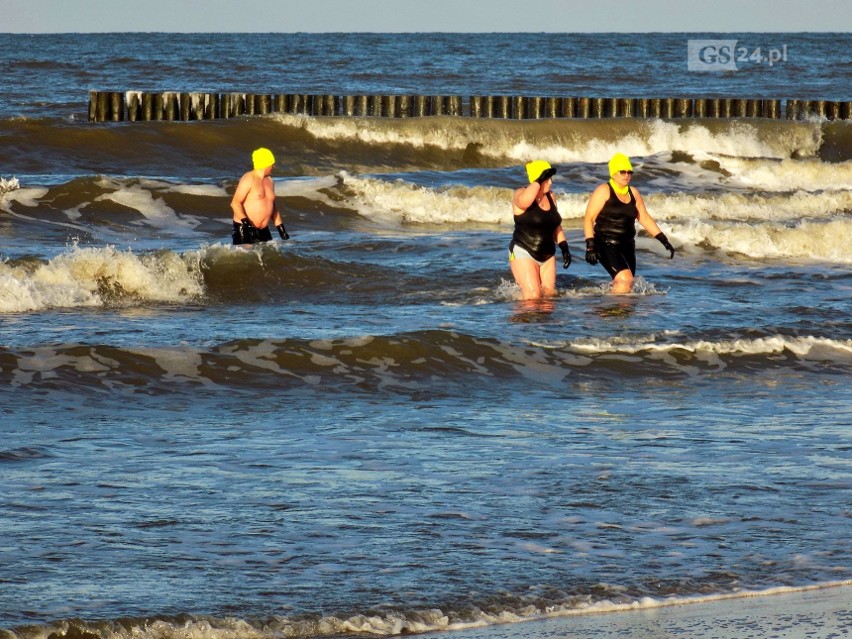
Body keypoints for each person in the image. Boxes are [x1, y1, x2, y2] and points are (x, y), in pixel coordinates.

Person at [583, 153, 675, 294]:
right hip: (605, 243)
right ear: (613, 173)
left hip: (627, 246)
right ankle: (612, 311)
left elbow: (643, 217)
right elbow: (589, 218)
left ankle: (609, 311)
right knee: (625, 279)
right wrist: (590, 246)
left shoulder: (634, 193)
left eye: (629, 172)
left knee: (626, 285)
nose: (627, 175)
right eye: (623, 172)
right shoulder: (604, 191)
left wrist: (663, 239)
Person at [508, 160, 572, 300]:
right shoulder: (520, 193)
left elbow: (555, 225)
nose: (550, 183)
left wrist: (564, 246)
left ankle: (542, 323)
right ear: (538, 179)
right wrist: (538, 180)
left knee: (549, 297)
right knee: (533, 296)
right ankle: (522, 320)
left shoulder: (551, 196)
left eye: (550, 179)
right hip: (523, 251)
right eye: (547, 179)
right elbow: (525, 201)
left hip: (548, 256)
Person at [230, 147, 289, 245]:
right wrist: (248, 226)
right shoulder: (248, 178)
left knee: (269, 257)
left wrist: (281, 229)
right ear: (265, 163)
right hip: (245, 229)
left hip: (264, 230)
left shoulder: (270, 181)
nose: (273, 166)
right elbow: (235, 203)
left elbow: (273, 207)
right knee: (247, 259)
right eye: (271, 163)